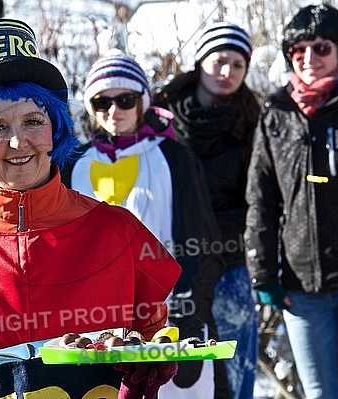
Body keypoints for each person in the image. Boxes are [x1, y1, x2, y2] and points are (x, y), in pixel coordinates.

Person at [0, 18, 182, 399]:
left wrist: (156, 355)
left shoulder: (117, 231)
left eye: (33, 121)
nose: (18, 141)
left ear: (55, 130)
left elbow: (154, 330)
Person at [64, 51, 227, 398]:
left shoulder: (173, 157)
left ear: (143, 102)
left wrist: (188, 316)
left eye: (125, 99)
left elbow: (200, 243)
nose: (114, 110)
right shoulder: (73, 164)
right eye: (102, 101)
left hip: (168, 321)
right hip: (94, 330)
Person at [245, 4, 338, 398]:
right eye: (299, 50)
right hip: (300, 287)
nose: (309, 59)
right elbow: (261, 199)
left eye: (321, 48)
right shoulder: (277, 111)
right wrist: (263, 277)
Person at [154, 21, 260, 399]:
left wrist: (211, 238)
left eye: (237, 64)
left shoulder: (254, 123)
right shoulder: (160, 116)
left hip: (228, 262)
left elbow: (259, 199)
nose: (227, 72)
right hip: (168, 263)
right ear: (200, 61)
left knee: (232, 370)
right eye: (219, 61)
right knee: (175, 378)